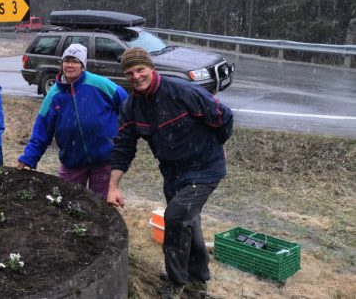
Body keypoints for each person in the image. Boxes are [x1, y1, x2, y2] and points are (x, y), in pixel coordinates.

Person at [107, 47, 234, 299]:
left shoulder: (183, 92)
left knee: (175, 217)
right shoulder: (131, 107)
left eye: (140, 69)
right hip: (173, 173)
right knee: (188, 222)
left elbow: (223, 116)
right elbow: (123, 147)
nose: (136, 76)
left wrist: (218, 147)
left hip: (205, 167)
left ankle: (176, 282)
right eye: (130, 73)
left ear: (151, 68)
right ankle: (197, 282)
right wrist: (113, 186)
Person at [17, 43, 128, 199]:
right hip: (72, 161)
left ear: (82, 66)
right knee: (69, 203)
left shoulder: (101, 84)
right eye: (67, 61)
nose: (70, 65)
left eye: (75, 61)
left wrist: (122, 133)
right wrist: (29, 157)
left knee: (101, 205)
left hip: (103, 159)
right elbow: (41, 131)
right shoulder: (54, 95)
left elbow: (127, 106)